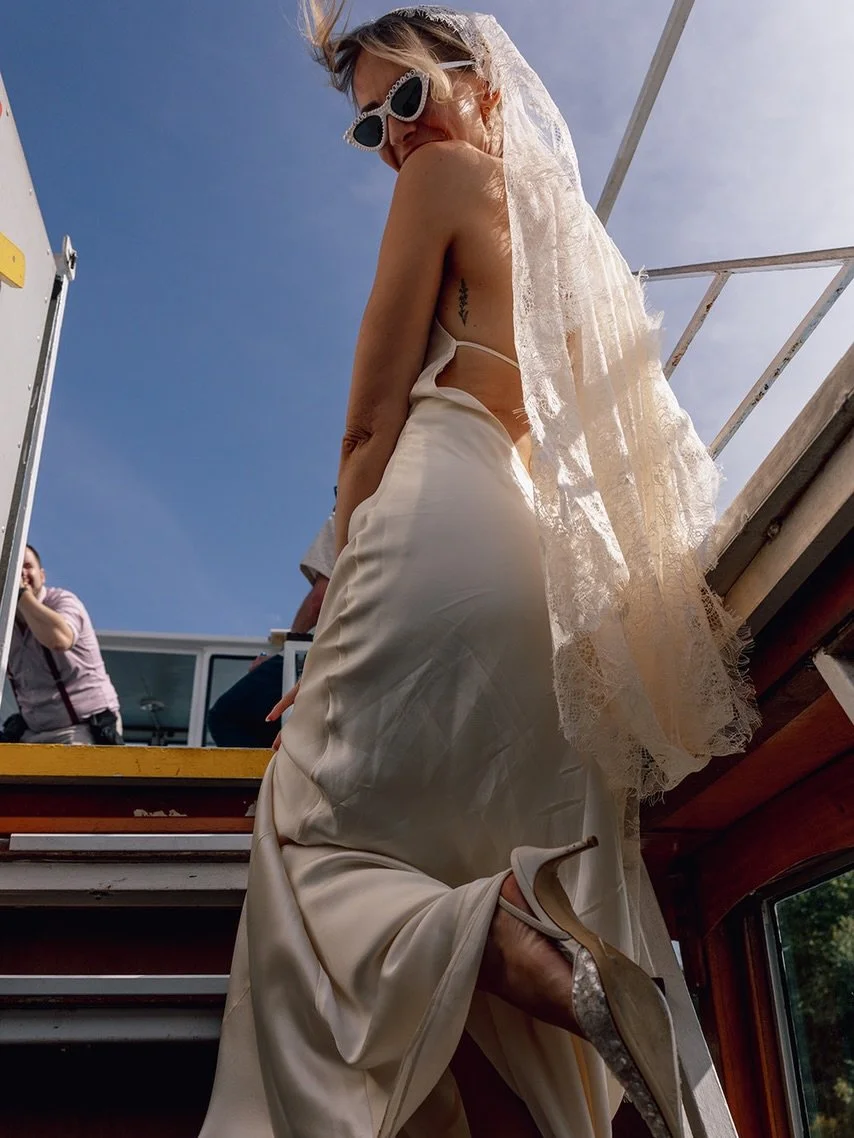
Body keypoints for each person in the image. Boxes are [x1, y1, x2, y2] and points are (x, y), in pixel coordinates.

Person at [200, 8, 757, 1138]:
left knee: (307, 831)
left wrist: (337, 629)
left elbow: (367, 427)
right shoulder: (574, 247)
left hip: (430, 523)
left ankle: (516, 942)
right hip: (535, 572)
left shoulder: (444, 179)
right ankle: (590, 1043)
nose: (395, 139)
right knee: (503, 830)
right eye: (368, 130)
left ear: (481, 87)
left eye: (406, 98)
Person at [206, 514, 335, 748]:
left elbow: (320, 600)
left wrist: (288, 649)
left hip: (329, 652)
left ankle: (273, 781)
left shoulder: (349, 517)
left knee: (227, 717)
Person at [2, 544, 122, 745]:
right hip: (33, 730)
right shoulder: (4, 618)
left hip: (82, 728)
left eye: (27, 566)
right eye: (13, 568)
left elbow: (59, 639)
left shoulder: (63, 602)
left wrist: (21, 594)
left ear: (43, 575)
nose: (20, 573)